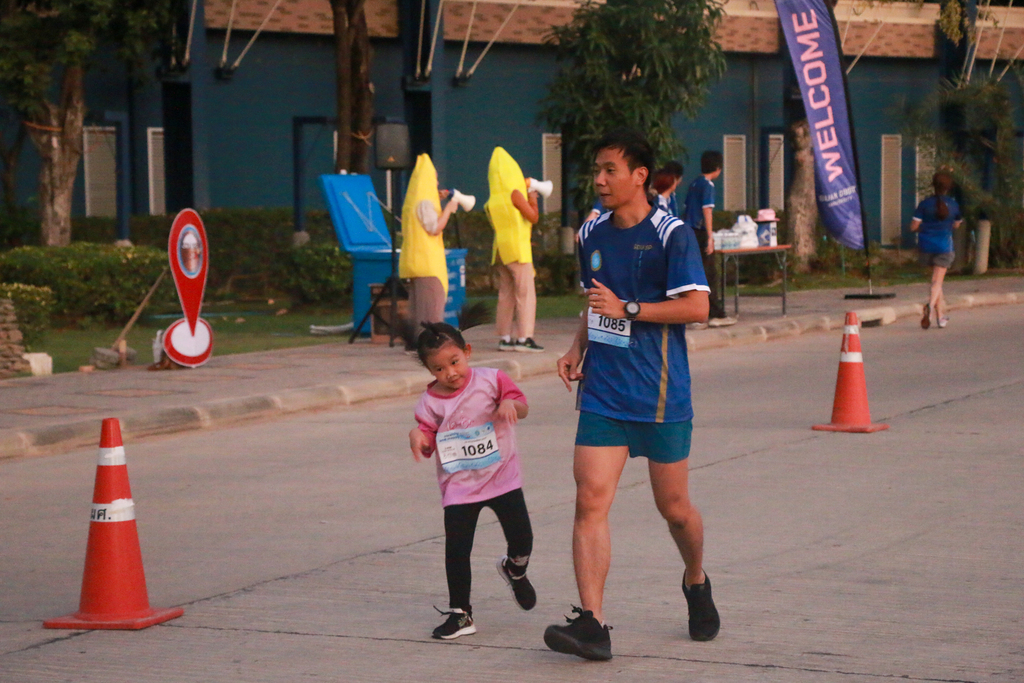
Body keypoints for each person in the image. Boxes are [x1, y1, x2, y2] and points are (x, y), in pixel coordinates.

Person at [544, 130, 720, 662]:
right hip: (603, 391)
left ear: (639, 175)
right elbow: (595, 301)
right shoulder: (591, 232)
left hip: (660, 394)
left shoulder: (672, 234)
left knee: (675, 510)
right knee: (590, 500)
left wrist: (631, 310)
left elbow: (697, 308)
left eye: (610, 170)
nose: (599, 180)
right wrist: (577, 346)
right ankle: (593, 623)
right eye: (596, 170)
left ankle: (695, 579)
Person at [408, 321, 537, 640]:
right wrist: (419, 437)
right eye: (439, 369)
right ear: (429, 370)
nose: (450, 373)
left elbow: (522, 406)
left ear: (467, 352)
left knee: (522, 537)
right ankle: (461, 614)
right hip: (459, 486)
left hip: (502, 477)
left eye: (454, 362)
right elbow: (427, 433)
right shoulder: (430, 402)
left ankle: (515, 569)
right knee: (457, 550)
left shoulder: (492, 379)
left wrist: (509, 404)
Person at [486, 147, 544, 352]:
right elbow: (533, 217)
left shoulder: (493, 199)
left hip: (500, 250)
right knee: (525, 294)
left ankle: (504, 337)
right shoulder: (515, 193)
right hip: (517, 249)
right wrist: (533, 197)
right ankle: (524, 338)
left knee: (506, 295)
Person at [399, 154, 460, 330]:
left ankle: (418, 341)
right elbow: (434, 228)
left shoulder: (413, 201)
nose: (437, 183)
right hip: (429, 265)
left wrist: (438, 200)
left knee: (419, 314)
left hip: (416, 264)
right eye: (434, 178)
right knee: (432, 315)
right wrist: (448, 210)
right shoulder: (425, 203)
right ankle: (430, 343)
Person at [683, 150, 735, 328]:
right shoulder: (708, 186)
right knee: (709, 274)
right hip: (700, 232)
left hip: (689, 232)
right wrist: (710, 237)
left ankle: (697, 313)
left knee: (695, 273)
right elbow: (707, 211)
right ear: (718, 168)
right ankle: (714, 313)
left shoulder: (694, 184)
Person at [910, 170, 962, 329]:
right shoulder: (953, 204)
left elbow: (913, 227)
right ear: (948, 187)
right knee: (936, 282)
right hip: (944, 247)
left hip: (926, 247)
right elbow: (957, 224)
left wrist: (926, 229)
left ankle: (941, 317)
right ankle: (930, 307)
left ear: (933, 185)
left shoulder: (924, 204)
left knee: (936, 283)